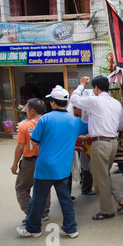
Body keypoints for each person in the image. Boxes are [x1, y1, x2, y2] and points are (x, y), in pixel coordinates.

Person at [17, 86, 88, 238]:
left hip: (44, 168)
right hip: (63, 168)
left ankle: (33, 228)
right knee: (65, 199)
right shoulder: (74, 121)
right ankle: (70, 228)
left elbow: (35, 142)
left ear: (53, 103)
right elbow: (89, 130)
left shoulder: (45, 119)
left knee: (38, 200)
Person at [70, 75, 123, 221]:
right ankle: (120, 198)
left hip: (100, 144)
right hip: (113, 143)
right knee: (100, 173)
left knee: (101, 177)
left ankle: (107, 210)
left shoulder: (95, 101)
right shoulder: (116, 103)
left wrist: (81, 84)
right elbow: (121, 126)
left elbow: (74, 100)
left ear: (96, 88)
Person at [11, 98, 51, 224]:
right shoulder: (49, 122)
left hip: (29, 161)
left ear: (32, 111)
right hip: (45, 160)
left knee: (22, 188)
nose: (26, 113)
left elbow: (20, 147)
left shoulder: (24, 126)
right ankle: (44, 213)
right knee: (44, 187)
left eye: (27, 110)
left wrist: (15, 164)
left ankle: (32, 213)